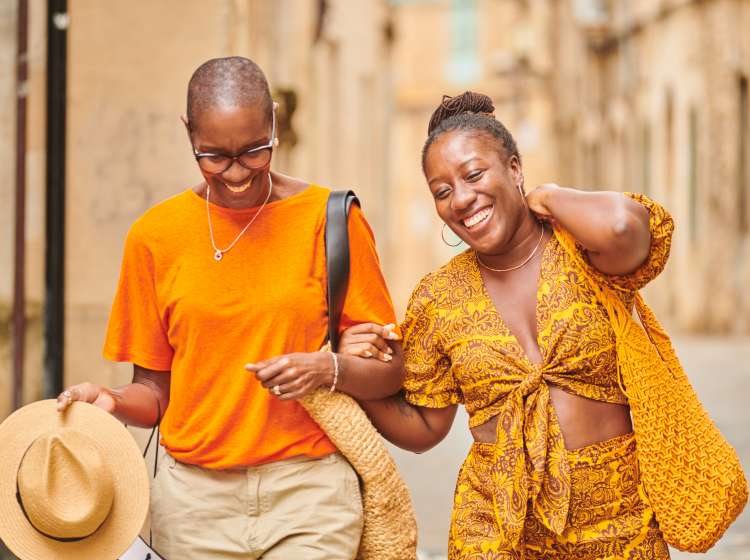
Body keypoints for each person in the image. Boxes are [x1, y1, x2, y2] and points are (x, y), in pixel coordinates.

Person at [56, 56, 404, 560]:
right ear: (188, 131)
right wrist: (109, 401)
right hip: (194, 505)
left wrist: (327, 369)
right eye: (214, 156)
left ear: (275, 124)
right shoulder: (156, 237)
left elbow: (391, 374)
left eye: (253, 151)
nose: (237, 173)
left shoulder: (331, 221)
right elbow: (155, 394)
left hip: (310, 494)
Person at [340, 91, 673, 559]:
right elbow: (425, 429)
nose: (461, 199)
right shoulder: (439, 299)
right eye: (441, 191)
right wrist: (353, 375)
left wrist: (548, 197)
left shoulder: (584, 251)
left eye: (474, 174)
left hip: (619, 523)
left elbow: (624, 229)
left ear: (514, 169)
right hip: (496, 531)